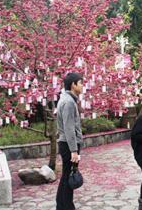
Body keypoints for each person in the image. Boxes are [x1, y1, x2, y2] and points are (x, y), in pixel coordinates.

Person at [56, 72, 84, 210]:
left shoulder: (67, 99)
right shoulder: (68, 102)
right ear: (73, 85)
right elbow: (69, 128)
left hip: (66, 144)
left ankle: (60, 206)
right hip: (68, 145)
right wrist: (74, 150)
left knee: (66, 176)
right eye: (80, 83)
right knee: (69, 178)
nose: (82, 85)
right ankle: (67, 206)